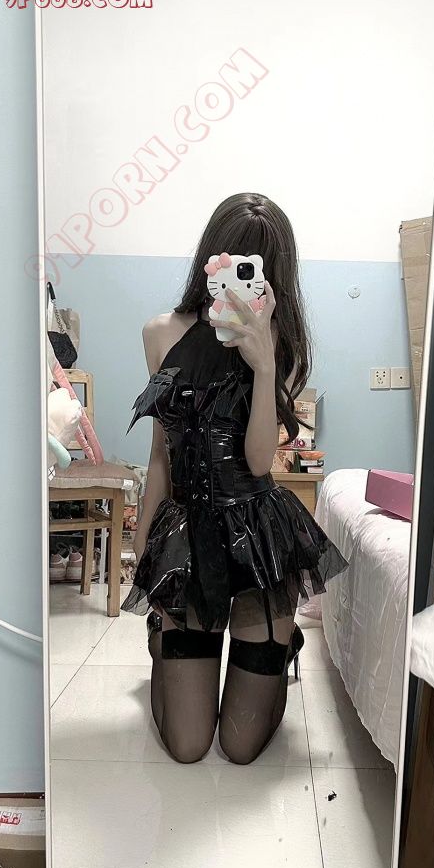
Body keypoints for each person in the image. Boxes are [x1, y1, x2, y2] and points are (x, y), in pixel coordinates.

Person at [122, 192, 347, 764]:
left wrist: (264, 362)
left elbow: (257, 462)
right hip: (187, 532)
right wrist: (142, 542)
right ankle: (165, 641)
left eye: (258, 266)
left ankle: (279, 644)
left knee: (241, 747)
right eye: (234, 260)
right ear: (212, 259)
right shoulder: (160, 332)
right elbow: (160, 452)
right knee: (189, 745)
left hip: (256, 534)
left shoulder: (281, 345)